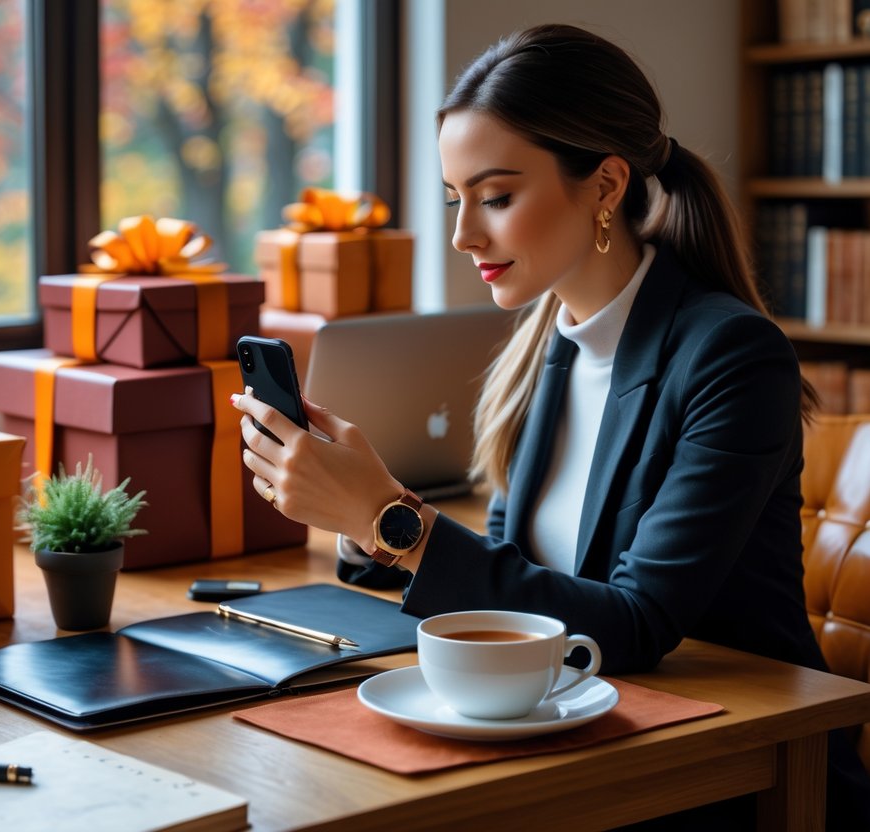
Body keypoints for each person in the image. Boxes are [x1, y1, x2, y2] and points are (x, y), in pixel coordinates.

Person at [232, 22, 870, 831]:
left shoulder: (733, 357)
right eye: (455, 199)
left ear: (605, 185)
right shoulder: (546, 344)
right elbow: (515, 575)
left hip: (726, 778)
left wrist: (390, 517)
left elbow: (637, 626)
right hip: (579, 740)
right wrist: (370, 520)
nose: (464, 235)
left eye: (495, 197)